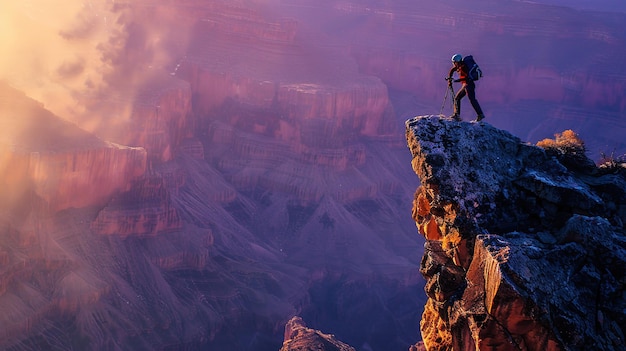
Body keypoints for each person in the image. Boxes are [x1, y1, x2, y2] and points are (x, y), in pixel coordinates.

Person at [447, 54, 485, 122]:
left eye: (454, 62)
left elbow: (466, 78)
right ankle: (457, 115)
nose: (453, 64)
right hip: (466, 85)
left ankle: (480, 115)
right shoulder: (459, 65)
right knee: (458, 98)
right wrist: (450, 79)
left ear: (457, 62)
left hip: (468, 85)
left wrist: (456, 80)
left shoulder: (463, 67)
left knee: (471, 99)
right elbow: (452, 70)